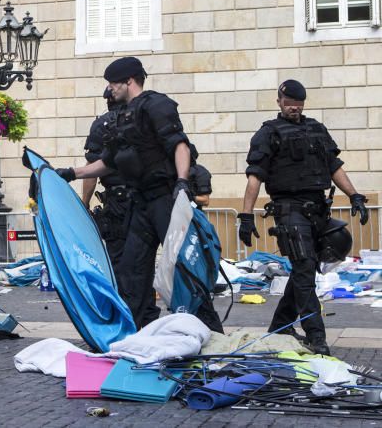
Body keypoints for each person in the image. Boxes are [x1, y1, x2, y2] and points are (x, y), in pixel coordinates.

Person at [53, 57, 223, 334]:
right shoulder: (121, 117)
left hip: (165, 198)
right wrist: (70, 173)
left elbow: (179, 145)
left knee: (185, 267)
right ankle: (135, 335)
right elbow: (108, 162)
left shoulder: (156, 105)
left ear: (129, 81)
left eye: (113, 83)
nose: (110, 89)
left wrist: (181, 182)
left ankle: (211, 331)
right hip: (140, 202)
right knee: (131, 271)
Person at [238, 79, 370, 355]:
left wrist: (355, 195)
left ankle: (281, 325)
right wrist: (246, 216)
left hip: (318, 208)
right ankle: (316, 336)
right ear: (279, 102)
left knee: (304, 270)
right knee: (305, 265)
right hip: (288, 209)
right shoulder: (268, 133)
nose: (294, 109)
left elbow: (334, 166)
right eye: (288, 104)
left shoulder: (317, 130)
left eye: (298, 104)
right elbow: (255, 178)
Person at [80, 88, 132, 268]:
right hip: (147, 200)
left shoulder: (103, 124)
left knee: (117, 260)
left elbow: (91, 170)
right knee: (142, 260)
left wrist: (84, 204)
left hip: (118, 203)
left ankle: (121, 294)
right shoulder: (145, 117)